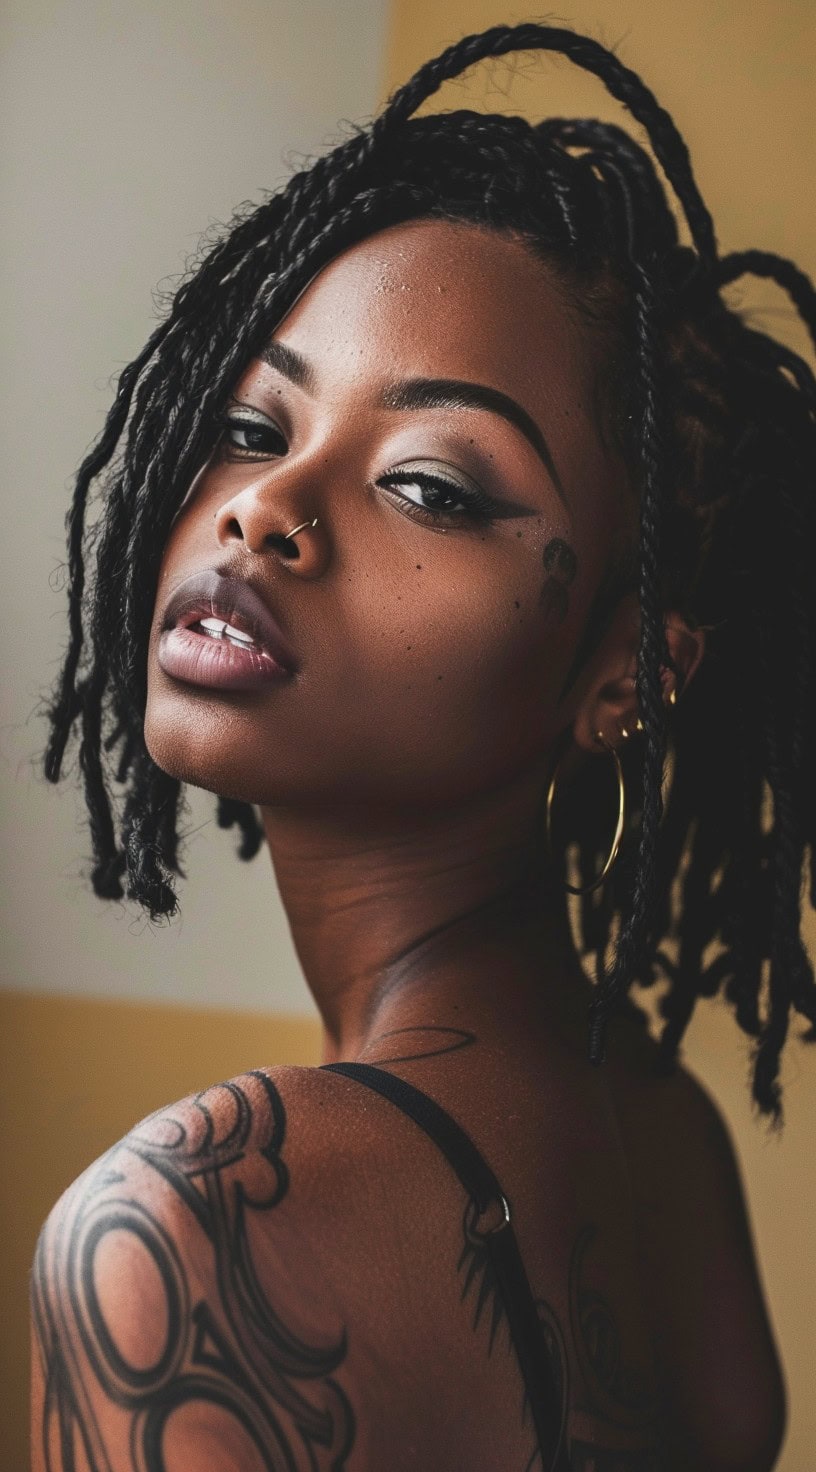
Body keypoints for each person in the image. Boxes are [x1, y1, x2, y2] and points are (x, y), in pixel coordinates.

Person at [30, 20, 814, 1471]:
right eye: (255, 424)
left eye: (433, 485)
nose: (263, 507)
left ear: (628, 672)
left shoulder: (186, 1230)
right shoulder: (665, 1135)